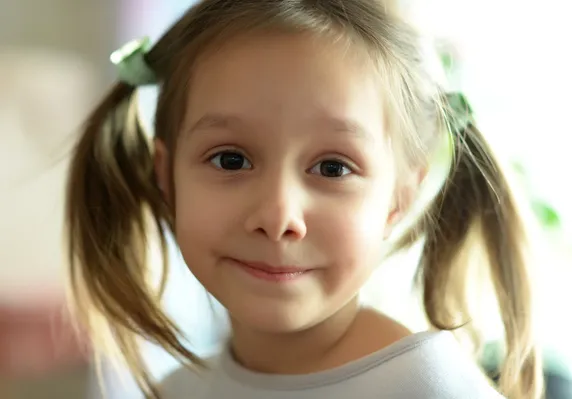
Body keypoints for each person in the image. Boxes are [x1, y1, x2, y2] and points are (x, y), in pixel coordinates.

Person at [64, 1, 543, 398]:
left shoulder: (429, 389)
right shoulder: (174, 392)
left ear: (398, 199)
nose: (277, 217)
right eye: (230, 160)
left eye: (333, 168)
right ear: (166, 177)